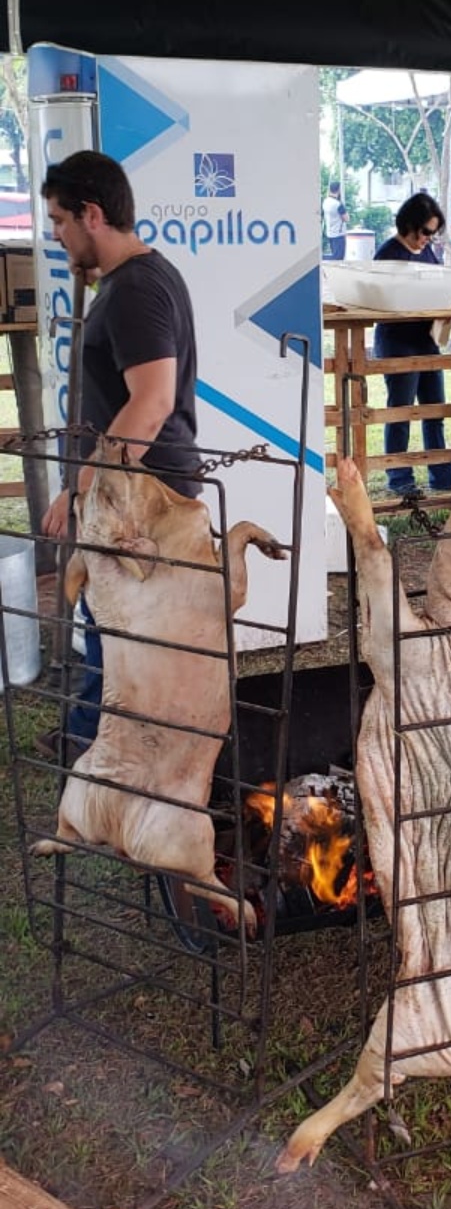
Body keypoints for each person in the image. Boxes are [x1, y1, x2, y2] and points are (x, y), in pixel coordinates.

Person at [38, 150, 201, 763]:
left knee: (122, 629)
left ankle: (108, 753)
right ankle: (87, 736)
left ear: (92, 214)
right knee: (109, 627)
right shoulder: (136, 281)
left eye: (59, 220)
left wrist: (82, 490)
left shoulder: (136, 289)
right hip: (136, 494)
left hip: (143, 499)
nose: (57, 234)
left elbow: (152, 403)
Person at [373, 192, 451, 502]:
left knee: (435, 409)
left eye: (432, 234)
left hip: (427, 339)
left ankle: (442, 474)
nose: (427, 239)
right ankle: (399, 477)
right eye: (424, 232)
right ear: (408, 225)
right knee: (402, 411)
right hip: (398, 341)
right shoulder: (388, 255)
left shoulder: (428, 253)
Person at [322, 178, 347, 259]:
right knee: (338, 257)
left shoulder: (325, 202)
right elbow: (346, 218)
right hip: (338, 234)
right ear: (339, 190)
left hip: (329, 233)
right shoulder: (338, 204)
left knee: (334, 255)